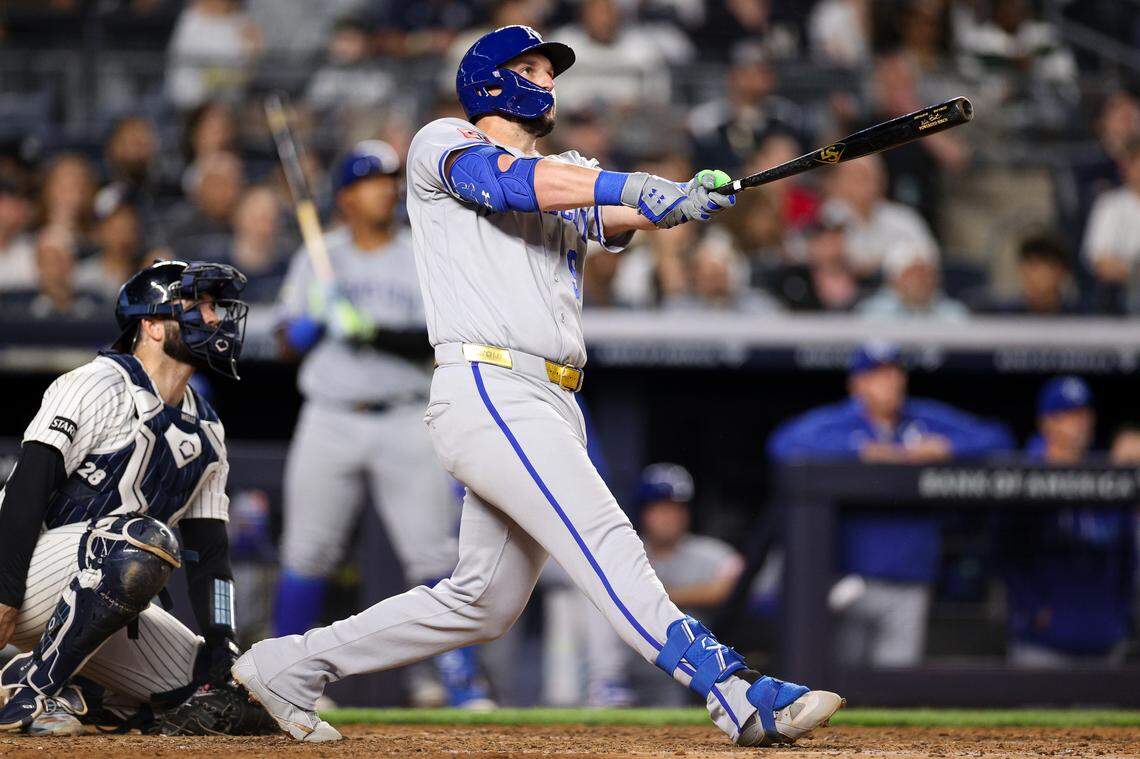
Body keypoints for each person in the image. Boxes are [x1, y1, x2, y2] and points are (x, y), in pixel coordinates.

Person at [235, 25, 843, 747]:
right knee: (605, 537)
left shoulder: (568, 170)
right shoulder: (441, 142)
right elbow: (511, 183)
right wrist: (636, 187)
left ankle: (289, 663)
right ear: (490, 79)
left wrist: (676, 200)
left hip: (548, 394)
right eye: (531, 67)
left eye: (551, 70)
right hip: (489, 384)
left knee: (480, 602)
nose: (548, 80)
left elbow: (606, 209)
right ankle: (733, 689)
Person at [0, 260, 273, 736]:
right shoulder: (96, 382)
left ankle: (74, 688)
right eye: (197, 305)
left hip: (103, 587)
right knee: (143, 542)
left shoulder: (208, 427)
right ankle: (35, 692)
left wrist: (222, 641)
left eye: (213, 306)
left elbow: (209, 554)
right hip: (22, 572)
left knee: (225, 698)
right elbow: (26, 490)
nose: (212, 318)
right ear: (149, 323)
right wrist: (0, 593)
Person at [271, 142, 486, 708]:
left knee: (433, 557)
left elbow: (441, 340)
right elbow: (285, 346)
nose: (386, 188)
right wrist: (313, 323)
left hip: (405, 417)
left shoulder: (421, 253)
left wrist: (368, 331)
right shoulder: (319, 257)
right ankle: (282, 678)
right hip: (330, 418)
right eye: (371, 180)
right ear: (345, 196)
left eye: (390, 179)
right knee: (306, 553)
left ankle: (457, 685)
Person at [768, 342, 1012, 667]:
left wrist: (947, 447)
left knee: (894, 685)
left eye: (895, 373)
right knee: (838, 677)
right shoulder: (840, 424)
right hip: (849, 577)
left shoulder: (922, 420)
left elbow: (998, 437)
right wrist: (859, 452)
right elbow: (782, 444)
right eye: (878, 374)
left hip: (910, 578)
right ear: (857, 383)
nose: (890, 382)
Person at [999, 377, 1136, 667]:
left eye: (1084, 414)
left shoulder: (1108, 473)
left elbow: (1127, 552)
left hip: (1103, 637)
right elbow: (1005, 553)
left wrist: (1119, 614)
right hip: (1043, 640)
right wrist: (1032, 610)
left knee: (1106, 713)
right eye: (1068, 415)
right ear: (1046, 422)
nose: (1079, 423)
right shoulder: (1025, 477)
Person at [820, 155, 936, 277]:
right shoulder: (827, 217)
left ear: (882, 180)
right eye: (855, 177)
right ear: (840, 182)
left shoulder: (903, 218)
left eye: (868, 176)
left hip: (893, 290)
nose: (863, 184)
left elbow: (928, 258)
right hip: (845, 291)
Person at [1082, 135, 1140, 314]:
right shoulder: (1110, 204)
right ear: (1126, 166)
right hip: (1124, 295)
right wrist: (1134, 272)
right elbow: (1100, 261)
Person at [857, 239, 970, 321]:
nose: (922, 280)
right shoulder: (872, 314)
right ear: (893, 280)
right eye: (912, 274)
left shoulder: (954, 314)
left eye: (927, 273)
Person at [982, 234, 1080, 315]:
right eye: (1026, 266)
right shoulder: (1002, 314)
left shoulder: (1079, 315)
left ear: (1059, 272)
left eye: (1036, 267)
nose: (1029, 275)